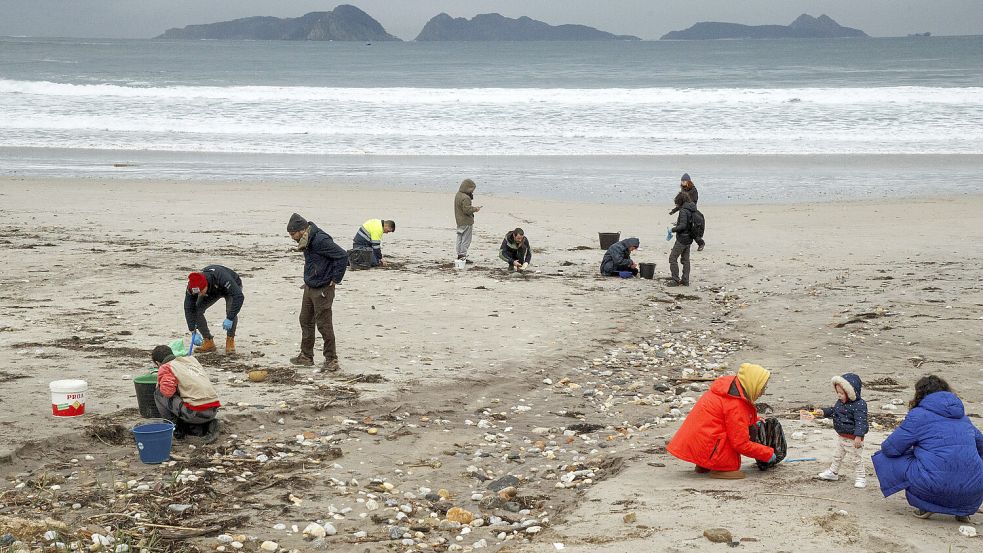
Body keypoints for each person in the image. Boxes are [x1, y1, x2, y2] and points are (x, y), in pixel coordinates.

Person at [873, 375, 983, 522]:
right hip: (973, 491)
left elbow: (890, 448)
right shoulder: (964, 418)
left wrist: (914, 450)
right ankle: (962, 509)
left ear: (920, 395)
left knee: (884, 457)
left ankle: (927, 505)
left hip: (934, 487)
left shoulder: (918, 415)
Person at [667, 363, 776, 479]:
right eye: (762, 388)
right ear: (753, 384)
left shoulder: (728, 390)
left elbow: (729, 419)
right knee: (731, 451)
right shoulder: (735, 404)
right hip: (708, 443)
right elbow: (740, 444)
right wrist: (767, 454)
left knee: (717, 429)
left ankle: (704, 463)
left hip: (696, 442)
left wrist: (754, 420)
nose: (763, 392)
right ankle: (721, 468)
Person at [286, 213, 349, 372]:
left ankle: (331, 359)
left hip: (323, 288)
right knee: (305, 320)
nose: (292, 238)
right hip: (309, 286)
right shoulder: (307, 239)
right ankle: (306, 356)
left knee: (323, 324)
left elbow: (342, 256)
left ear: (301, 230)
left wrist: (335, 279)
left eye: (293, 234)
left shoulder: (320, 240)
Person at [150, 345, 220, 442]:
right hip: (213, 409)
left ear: (158, 363)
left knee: (159, 393)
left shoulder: (166, 367)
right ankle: (202, 425)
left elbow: (168, 393)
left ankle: (175, 427)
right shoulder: (191, 360)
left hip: (196, 413)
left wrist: (160, 382)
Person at [813, 373, 870, 488]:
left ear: (851, 393)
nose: (839, 396)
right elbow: (834, 411)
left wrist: (858, 436)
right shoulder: (840, 402)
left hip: (854, 438)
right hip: (841, 436)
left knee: (856, 459)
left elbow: (861, 421)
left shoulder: (859, 405)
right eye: (837, 392)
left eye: (842, 393)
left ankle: (861, 477)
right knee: (837, 455)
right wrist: (823, 412)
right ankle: (833, 472)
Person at [184, 265, 244, 355]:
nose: (199, 294)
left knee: (231, 310)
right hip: (211, 291)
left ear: (205, 285)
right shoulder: (192, 286)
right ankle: (208, 341)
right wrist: (193, 330)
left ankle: (230, 340)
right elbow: (188, 307)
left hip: (231, 287)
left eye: (200, 291)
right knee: (197, 310)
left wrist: (230, 318)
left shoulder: (222, 277)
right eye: (197, 293)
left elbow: (239, 297)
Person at [667, 192, 704, 286]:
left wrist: (673, 229)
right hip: (690, 238)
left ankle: (675, 280)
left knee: (672, 258)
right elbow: (688, 223)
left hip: (682, 239)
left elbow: (683, 226)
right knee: (685, 260)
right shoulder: (692, 208)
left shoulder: (683, 211)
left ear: (680, 201)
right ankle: (685, 280)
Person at [454, 179, 481, 261]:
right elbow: (467, 210)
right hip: (466, 221)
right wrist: (475, 209)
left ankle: (459, 254)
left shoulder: (458, 195)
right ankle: (462, 256)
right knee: (466, 239)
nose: (472, 191)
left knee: (460, 237)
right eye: (472, 189)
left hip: (459, 220)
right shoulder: (466, 198)